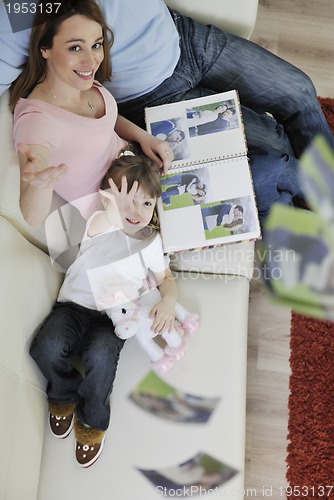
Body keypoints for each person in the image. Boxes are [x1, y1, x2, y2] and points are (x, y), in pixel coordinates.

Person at [2, 1, 332, 219]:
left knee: (299, 90)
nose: (89, 57)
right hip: (152, 98)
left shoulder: (93, 85)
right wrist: (36, 177)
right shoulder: (21, 14)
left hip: (186, 38)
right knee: (274, 144)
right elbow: (37, 140)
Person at [30, 150, 180, 468]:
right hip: (73, 307)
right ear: (109, 196)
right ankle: (64, 393)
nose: (136, 211)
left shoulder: (151, 242)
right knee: (47, 346)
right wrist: (112, 211)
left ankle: (93, 420)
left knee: (101, 357)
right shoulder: (97, 222)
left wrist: (168, 300)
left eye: (146, 203)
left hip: (115, 318)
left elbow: (165, 278)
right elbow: (100, 224)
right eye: (128, 200)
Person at [8, 0, 173, 228]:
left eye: (96, 45)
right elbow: (32, 216)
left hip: (146, 173)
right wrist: (40, 183)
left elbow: (107, 123)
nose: (91, 60)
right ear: (44, 49)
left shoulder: (80, 83)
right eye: (75, 47)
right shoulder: (37, 119)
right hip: (129, 216)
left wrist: (143, 138)